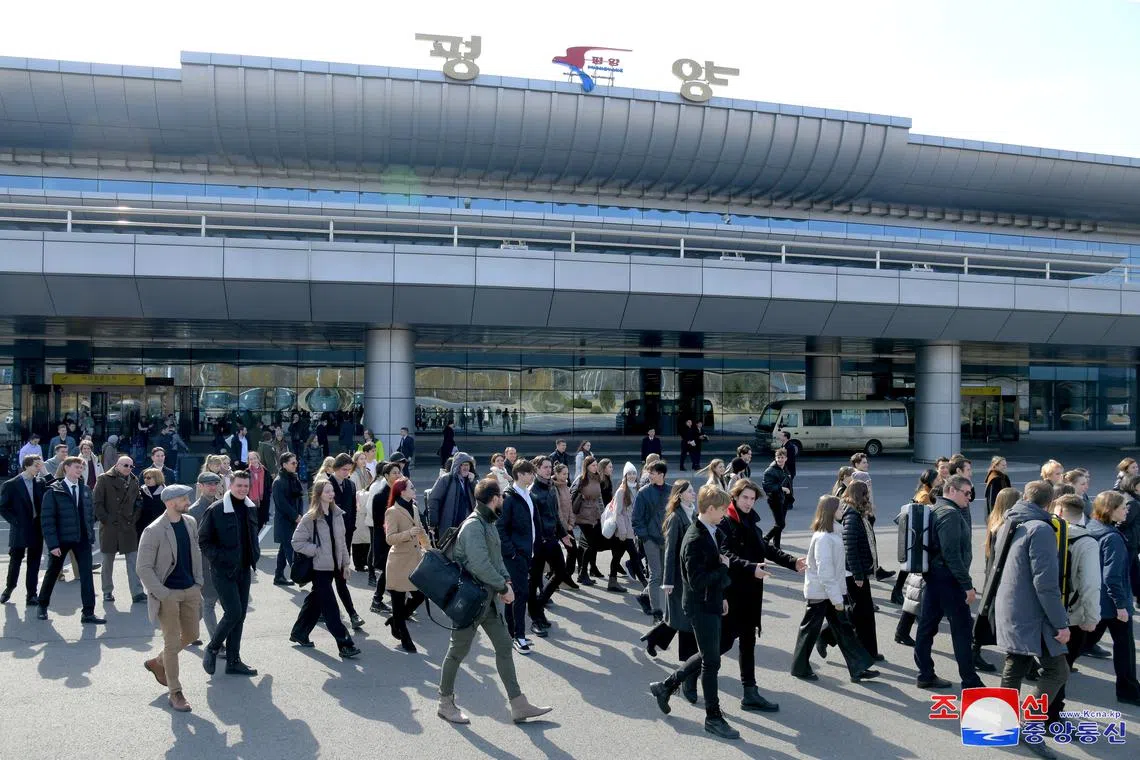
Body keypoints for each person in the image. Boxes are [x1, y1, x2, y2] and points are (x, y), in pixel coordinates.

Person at [436, 477, 553, 725]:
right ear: (494, 499)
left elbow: (496, 558)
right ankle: (445, 704)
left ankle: (519, 705)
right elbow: (479, 564)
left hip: (487, 601)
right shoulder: (474, 526)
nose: (503, 499)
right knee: (457, 653)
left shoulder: (488, 522)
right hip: (469, 602)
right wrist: (502, 585)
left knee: (504, 647)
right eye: (501, 496)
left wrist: (506, 582)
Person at [648, 484, 740, 740]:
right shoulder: (695, 538)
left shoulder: (709, 529)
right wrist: (723, 570)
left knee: (707, 655)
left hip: (710, 602)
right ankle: (713, 717)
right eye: (722, 510)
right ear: (710, 509)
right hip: (700, 607)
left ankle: (665, 686)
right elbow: (697, 580)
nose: (725, 514)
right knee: (712, 661)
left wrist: (720, 595)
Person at [992, 481, 1071, 760]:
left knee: (1016, 664)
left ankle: (1006, 721)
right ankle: (1030, 725)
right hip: (1032, 612)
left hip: (1010, 606)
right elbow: (1046, 584)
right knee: (1057, 671)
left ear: (1026, 497)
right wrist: (1061, 624)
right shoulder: (1040, 529)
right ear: (1049, 504)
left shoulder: (1010, 521)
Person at [720, 478, 806, 711]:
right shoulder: (726, 523)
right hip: (732, 594)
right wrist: (751, 568)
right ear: (735, 497)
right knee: (721, 645)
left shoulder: (750, 521)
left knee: (748, 642)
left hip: (750, 594)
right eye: (745, 498)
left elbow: (765, 548)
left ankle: (750, 692)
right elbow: (725, 555)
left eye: (752, 498)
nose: (749, 502)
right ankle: (679, 678)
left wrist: (792, 562)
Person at [791, 495, 879, 683]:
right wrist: (837, 598)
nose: (843, 510)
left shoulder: (833, 533)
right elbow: (825, 572)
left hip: (829, 592)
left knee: (844, 629)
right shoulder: (824, 538)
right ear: (831, 511)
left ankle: (858, 667)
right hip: (822, 592)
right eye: (840, 508)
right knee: (810, 630)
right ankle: (799, 667)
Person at [136, 483, 203, 713]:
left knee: (193, 634)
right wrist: (163, 593)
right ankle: (175, 692)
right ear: (171, 502)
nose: (187, 502)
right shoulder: (154, 530)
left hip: (191, 590)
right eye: (184, 499)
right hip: (168, 594)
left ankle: (158, 662)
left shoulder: (190, 522)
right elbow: (143, 568)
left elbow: (196, 552)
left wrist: (198, 582)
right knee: (172, 642)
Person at [913, 474, 984, 690]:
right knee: (962, 630)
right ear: (952, 490)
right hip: (949, 580)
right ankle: (970, 681)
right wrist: (967, 585)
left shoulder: (935, 509)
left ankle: (925, 674)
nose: (969, 498)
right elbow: (951, 554)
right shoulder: (950, 514)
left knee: (926, 627)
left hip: (934, 577)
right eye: (967, 493)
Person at [289, 480, 362, 659]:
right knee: (330, 608)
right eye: (327, 491)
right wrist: (316, 550)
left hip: (335, 566)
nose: (331, 494)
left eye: (332, 491)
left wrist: (346, 564)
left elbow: (343, 543)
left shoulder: (337, 514)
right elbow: (296, 542)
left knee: (315, 601)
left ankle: (299, 632)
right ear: (319, 494)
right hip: (320, 568)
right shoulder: (310, 518)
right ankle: (345, 644)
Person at [197, 471, 260, 676]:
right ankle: (213, 647)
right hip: (223, 571)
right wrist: (220, 557)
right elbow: (203, 541)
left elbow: (251, 537)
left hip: (244, 569)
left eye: (245, 486)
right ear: (230, 486)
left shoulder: (250, 508)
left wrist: (254, 555)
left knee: (239, 616)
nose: (242, 489)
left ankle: (233, 661)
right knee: (233, 612)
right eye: (239, 485)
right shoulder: (216, 509)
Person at [1047, 493, 1103, 724]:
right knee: (1062, 669)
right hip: (1072, 615)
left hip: (1045, 611)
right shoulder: (1086, 542)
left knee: (1048, 668)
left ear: (1058, 511)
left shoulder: (1044, 532)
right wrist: (1092, 617)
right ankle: (1052, 716)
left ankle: (1046, 712)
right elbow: (1090, 585)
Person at [1086, 490, 1140, 706]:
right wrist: (1121, 605)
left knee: (1082, 640)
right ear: (1110, 510)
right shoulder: (1113, 538)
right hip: (1112, 603)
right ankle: (1128, 690)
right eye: (1122, 507)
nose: (1127, 510)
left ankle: (1054, 667)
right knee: (1125, 648)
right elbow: (1113, 576)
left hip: (1095, 599)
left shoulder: (1092, 528)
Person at [641, 482, 696, 687]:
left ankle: (654, 637)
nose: (694, 493)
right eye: (690, 491)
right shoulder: (675, 517)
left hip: (689, 575)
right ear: (680, 495)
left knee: (679, 617)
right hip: (678, 577)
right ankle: (687, 666)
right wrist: (667, 581)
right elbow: (670, 551)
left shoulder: (692, 513)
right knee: (683, 619)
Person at [36, 457, 104, 624]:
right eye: (76, 467)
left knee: (87, 575)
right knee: (52, 573)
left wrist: (90, 537)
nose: (80, 469)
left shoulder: (86, 489)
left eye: (81, 467)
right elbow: (47, 519)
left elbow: (89, 516)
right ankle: (42, 606)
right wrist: (52, 544)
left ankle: (88, 613)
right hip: (61, 540)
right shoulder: (54, 490)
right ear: (66, 468)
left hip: (82, 540)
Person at [820, 480, 882, 662]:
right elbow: (850, 548)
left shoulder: (858, 513)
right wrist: (858, 575)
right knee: (859, 613)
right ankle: (826, 634)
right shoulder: (852, 516)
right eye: (866, 493)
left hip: (859, 571)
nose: (868, 497)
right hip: (854, 573)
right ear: (859, 495)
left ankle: (870, 650)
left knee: (864, 613)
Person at [527, 456, 574, 630]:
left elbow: (555, 515)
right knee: (533, 582)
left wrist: (563, 535)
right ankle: (535, 617)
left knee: (562, 573)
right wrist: (538, 542)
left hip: (552, 540)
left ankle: (539, 606)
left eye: (549, 467)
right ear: (536, 469)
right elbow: (533, 522)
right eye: (545, 467)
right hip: (538, 544)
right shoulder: (532, 491)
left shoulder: (551, 488)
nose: (548, 470)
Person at [499, 459, 540, 653]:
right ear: (519, 475)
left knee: (514, 595)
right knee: (521, 595)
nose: (532, 475)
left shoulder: (526, 494)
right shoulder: (509, 497)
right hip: (516, 556)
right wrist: (512, 553)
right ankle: (519, 637)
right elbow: (501, 528)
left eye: (531, 472)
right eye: (528, 473)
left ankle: (511, 633)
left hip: (526, 553)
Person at [383, 477, 427, 653]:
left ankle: (395, 620)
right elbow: (390, 538)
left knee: (420, 596)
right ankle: (405, 639)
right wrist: (408, 533)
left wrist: (429, 549)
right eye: (411, 487)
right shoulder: (392, 512)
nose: (414, 489)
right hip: (398, 563)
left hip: (415, 560)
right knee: (398, 602)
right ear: (402, 491)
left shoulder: (414, 508)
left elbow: (421, 530)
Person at [93, 456, 145, 604]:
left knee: (133, 560)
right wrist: (106, 520)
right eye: (125, 465)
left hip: (128, 525)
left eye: (131, 466)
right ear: (117, 465)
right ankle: (107, 591)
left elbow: (138, 501)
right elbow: (97, 502)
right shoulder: (104, 479)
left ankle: (137, 592)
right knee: (108, 561)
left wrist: (134, 517)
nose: (128, 468)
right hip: (110, 526)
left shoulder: (134, 480)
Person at [0, 454, 46, 606]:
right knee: (15, 561)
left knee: (34, 562)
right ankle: (9, 588)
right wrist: (15, 521)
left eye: (40, 465)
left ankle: (32, 594)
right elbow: (3, 507)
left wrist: (45, 471)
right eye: (36, 465)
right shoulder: (11, 484)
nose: (39, 468)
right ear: (27, 466)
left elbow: (54, 487)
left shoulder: (40, 481)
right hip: (20, 528)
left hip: (36, 527)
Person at [327, 454, 365, 630]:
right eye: (344, 469)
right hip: (328, 539)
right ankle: (352, 614)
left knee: (338, 578)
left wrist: (351, 529)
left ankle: (352, 614)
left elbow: (352, 510)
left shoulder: (350, 484)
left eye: (349, 470)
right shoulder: (326, 485)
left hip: (345, 537)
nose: (347, 473)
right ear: (335, 468)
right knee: (328, 581)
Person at [187, 472, 223, 642]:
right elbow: (189, 543)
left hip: (222, 563)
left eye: (215, 483)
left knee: (211, 605)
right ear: (200, 486)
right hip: (203, 564)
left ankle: (186, 632)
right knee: (209, 603)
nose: (212, 487)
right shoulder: (193, 511)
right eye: (208, 484)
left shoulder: (223, 505)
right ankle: (216, 643)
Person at [633, 461, 670, 620]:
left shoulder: (671, 490)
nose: (649, 475)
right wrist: (645, 537)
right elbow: (636, 518)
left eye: (652, 473)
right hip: (650, 539)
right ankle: (657, 612)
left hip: (666, 538)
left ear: (661, 474)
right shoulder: (643, 492)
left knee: (661, 575)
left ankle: (643, 596)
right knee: (655, 575)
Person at [368, 461, 404, 613]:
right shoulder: (380, 496)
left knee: (393, 571)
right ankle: (377, 600)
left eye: (399, 472)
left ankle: (386, 601)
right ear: (386, 476)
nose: (398, 475)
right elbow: (378, 523)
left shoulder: (400, 493)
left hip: (398, 538)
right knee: (388, 570)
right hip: (385, 540)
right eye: (394, 473)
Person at [609, 462, 646, 588]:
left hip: (633, 529)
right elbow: (618, 513)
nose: (632, 476)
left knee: (617, 556)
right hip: (624, 530)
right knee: (634, 556)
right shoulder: (621, 491)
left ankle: (612, 581)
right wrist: (623, 531)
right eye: (629, 473)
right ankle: (645, 584)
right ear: (625, 476)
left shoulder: (638, 489)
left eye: (634, 473)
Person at [570, 456, 606, 585]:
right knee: (591, 544)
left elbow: (599, 498)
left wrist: (603, 514)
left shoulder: (597, 478)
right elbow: (572, 495)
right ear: (587, 466)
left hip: (595, 516)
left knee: (591, 544)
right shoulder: (581, 479)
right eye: (593, 465)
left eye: (596, 465)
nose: (595, 467)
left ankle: (584, 571)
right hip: (583, 516)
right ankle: (582, 573)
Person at [426, 452, 477, 541]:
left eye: (468, 465)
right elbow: (434, 499)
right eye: (463, 465)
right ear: (457, 466)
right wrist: (433, 522)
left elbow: (479, 497)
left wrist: (473, 482)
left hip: (467, 525)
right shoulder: (446, 479)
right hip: (450, 524)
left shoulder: (470, 480)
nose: (466, 468)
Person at [271, 452, 304, 585]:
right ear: (284, 465)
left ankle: (278, 576)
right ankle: (299, 576)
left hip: (294, 519)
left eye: (296, 462)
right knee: (290, 549)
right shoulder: (278, 482)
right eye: (293, 463)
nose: (296, 465)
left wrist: (300, 514)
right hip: (284, 521)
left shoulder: (293, 478)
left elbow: (300, 498)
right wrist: (295, 516)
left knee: (283, 549)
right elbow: (281, 503)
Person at [761, 448, 792, 549]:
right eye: (778, 457)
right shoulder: (770, 471)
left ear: (786, 458)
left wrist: (790, 496)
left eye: (782, 457)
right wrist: (781, 488)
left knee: (779, 524)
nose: (780, 460)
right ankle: (765, 539)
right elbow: (767, 486)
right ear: (775, 458)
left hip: (784, 500)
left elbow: (789, 483)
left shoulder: (784, 468)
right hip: (775, 500)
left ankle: (776, 545)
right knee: (781, 524)